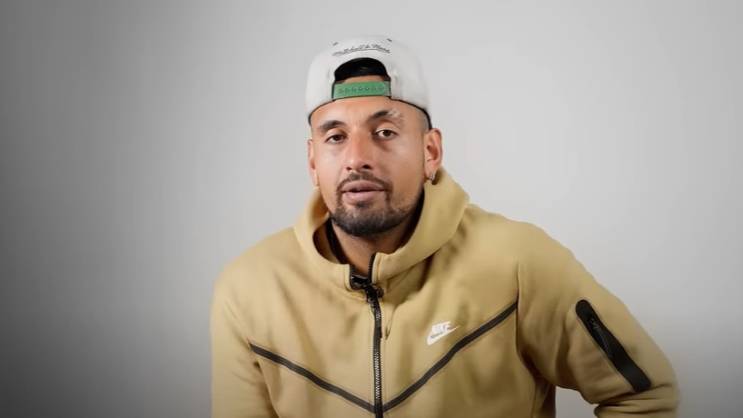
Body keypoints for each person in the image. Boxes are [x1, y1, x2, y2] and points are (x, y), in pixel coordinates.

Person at [210, 35, 679, 418]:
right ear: (313, 161)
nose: (357, 158)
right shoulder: (250, 289)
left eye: (385, 132)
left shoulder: (518, 263)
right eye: (335, 137)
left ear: (430, 151)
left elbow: (643, 395)